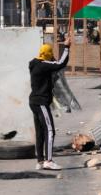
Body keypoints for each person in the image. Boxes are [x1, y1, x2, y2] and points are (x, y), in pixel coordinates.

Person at [28, 37, 71, 170]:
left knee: (40, 131)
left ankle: (40, 161)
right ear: (47, 55)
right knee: (50, 130)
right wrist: (67, 47)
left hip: (33, 101)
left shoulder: (34, 63)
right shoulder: (43, 66)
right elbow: (60, 64)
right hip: (41, 102)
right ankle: (49, 160)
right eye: (50, 54)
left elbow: (53, 64)